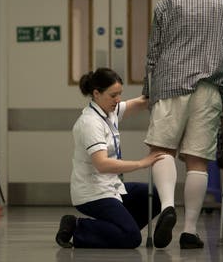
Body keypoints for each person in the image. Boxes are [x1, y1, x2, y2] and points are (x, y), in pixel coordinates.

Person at [143, 0, 223, 249]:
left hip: (170, 85)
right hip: (210, 89)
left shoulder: (167, 3)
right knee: (197, 160)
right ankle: (189, 231)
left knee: (162, 150)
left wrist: (149, 93)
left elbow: (153, 53)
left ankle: (166, 208)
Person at [55, 68, 165, 249]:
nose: (118, 100)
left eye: (120, 94)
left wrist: (161, 91)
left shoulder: (109, 110)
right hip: (92, 193)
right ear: (96, 94)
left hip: (111, 187)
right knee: (132, 238)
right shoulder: (90, 123)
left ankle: (120, 229)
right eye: (113, 95)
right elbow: (102, 164)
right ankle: (77, 227)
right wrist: (141, 163)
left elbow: (138, 103)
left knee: (157, 194)